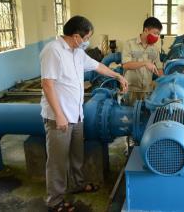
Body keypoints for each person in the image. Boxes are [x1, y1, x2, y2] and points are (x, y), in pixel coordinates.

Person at [40, 15, 128, 212]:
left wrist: (117, 75)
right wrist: (59, 114)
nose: (88, 41)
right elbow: (47, 84)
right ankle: (55, 201)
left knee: (76, 155)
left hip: (76, 114)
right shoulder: (53, 51)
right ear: (76, 36)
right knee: (57, 161)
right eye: (87, 37)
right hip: (58, 117)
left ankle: (77, 184)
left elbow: (98, 66)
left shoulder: (77, 52)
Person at [122, 17, 163, 105]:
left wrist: (164, 80)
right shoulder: (129, 44)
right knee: (129, 116)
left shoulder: (155, 49)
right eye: (155, 33)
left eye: (158, 34)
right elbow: (126, 65)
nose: (157, 37)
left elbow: (159, 68)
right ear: (146, 30)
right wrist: (145, 63)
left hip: (147, 91)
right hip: (131, 90)